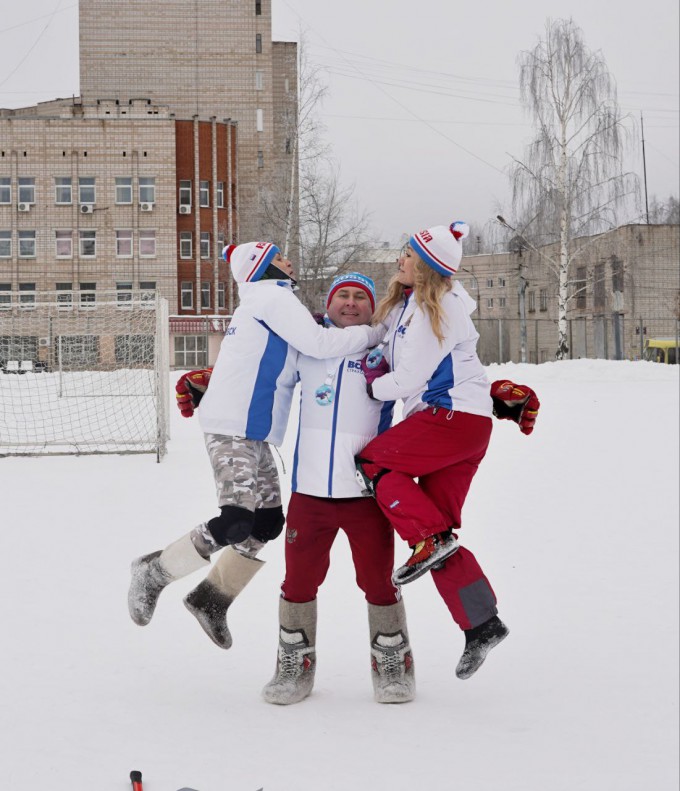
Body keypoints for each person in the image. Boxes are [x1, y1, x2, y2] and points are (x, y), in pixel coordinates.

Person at [127, 242, 384, 644]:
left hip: (253, 429)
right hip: (233, 426)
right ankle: (154, 570)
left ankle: (211, 598)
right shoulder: (271, 296)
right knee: (236, 520)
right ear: (263, 267)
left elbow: (259, 359)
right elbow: (317, 344)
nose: (289, 261)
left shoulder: (269, 302)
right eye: (280, 257)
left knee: (267, 523)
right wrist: (373, 330)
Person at [356, 221, 539, 679]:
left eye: (408, 254)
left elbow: (409, 380)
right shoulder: (411, 306)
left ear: (425, 267)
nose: (400, 258)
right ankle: (482, 624)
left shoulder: (433, 309)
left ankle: (429, 540)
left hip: (447, 419)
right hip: (463, 426)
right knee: (436, 537)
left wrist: (372, 387)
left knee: (373, 461)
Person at [261, 273, 415, 706]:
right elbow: (264, 379)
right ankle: (294, 668)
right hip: (309, 493)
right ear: (328, 305)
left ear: (372, 307)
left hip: (366, 493)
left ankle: (392, 664)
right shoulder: (305, 345)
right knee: (298, 582)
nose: (350, 303)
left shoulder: (383, 349)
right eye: (342, 296)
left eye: (359, 297)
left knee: (378, 582)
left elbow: (428, 385)